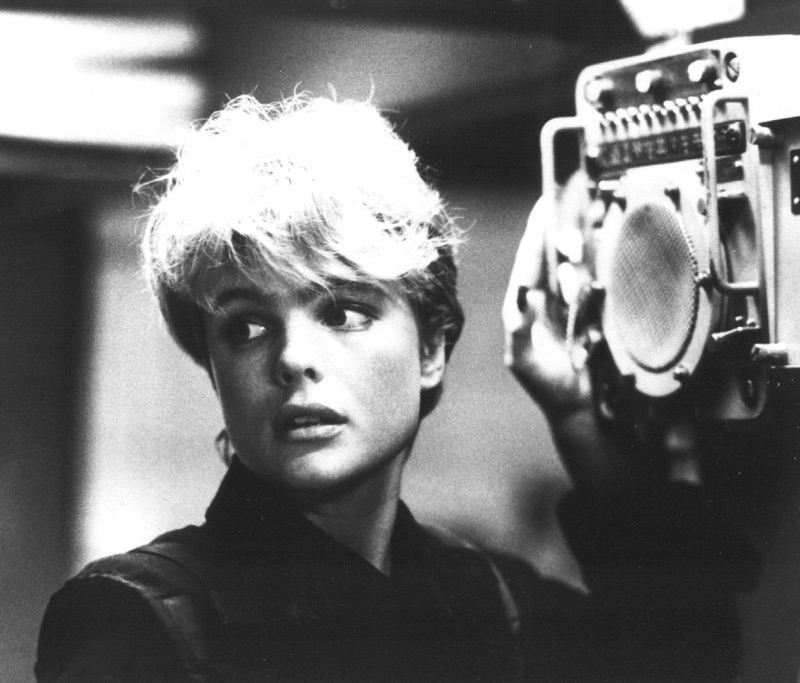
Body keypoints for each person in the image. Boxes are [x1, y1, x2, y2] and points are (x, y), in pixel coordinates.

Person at [35, 93, 757, 683]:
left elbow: (686, 659)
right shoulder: (136, 620)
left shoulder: (487, 601)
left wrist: (577, 418)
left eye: (344, 312)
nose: (293, 359)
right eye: (247, 328)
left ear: (432, 348)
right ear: (213, 366)